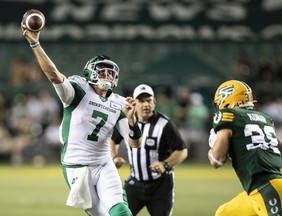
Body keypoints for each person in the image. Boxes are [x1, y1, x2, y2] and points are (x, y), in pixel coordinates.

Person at [21, 22, 142, 216]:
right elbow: (53, 76)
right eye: (102, 71)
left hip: (103, 164)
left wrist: (132, 120)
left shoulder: (120, 103)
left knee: (121, 212)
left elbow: (135, 144)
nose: (108, 75)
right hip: (76, 167)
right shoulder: (78, 89)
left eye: (111, 72)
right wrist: (35, 44)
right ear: (90, 72)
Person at [208, 80, 282, 216]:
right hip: (260, 190)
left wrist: (214, 145)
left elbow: (217, 160)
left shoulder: (228, 116)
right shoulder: (263, 118)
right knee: (224, 213)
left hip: (270, 190)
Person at [110, 84, 188, 216]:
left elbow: (182, 151)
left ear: (154, 102)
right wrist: (114, 156)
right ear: (134, 103)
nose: (146, 104)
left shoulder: (165, 124)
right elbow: (113, 140)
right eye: (141, 101)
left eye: (149, 100)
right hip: (135, 182)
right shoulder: (126, 122)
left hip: (160, 185)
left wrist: (165, 164)